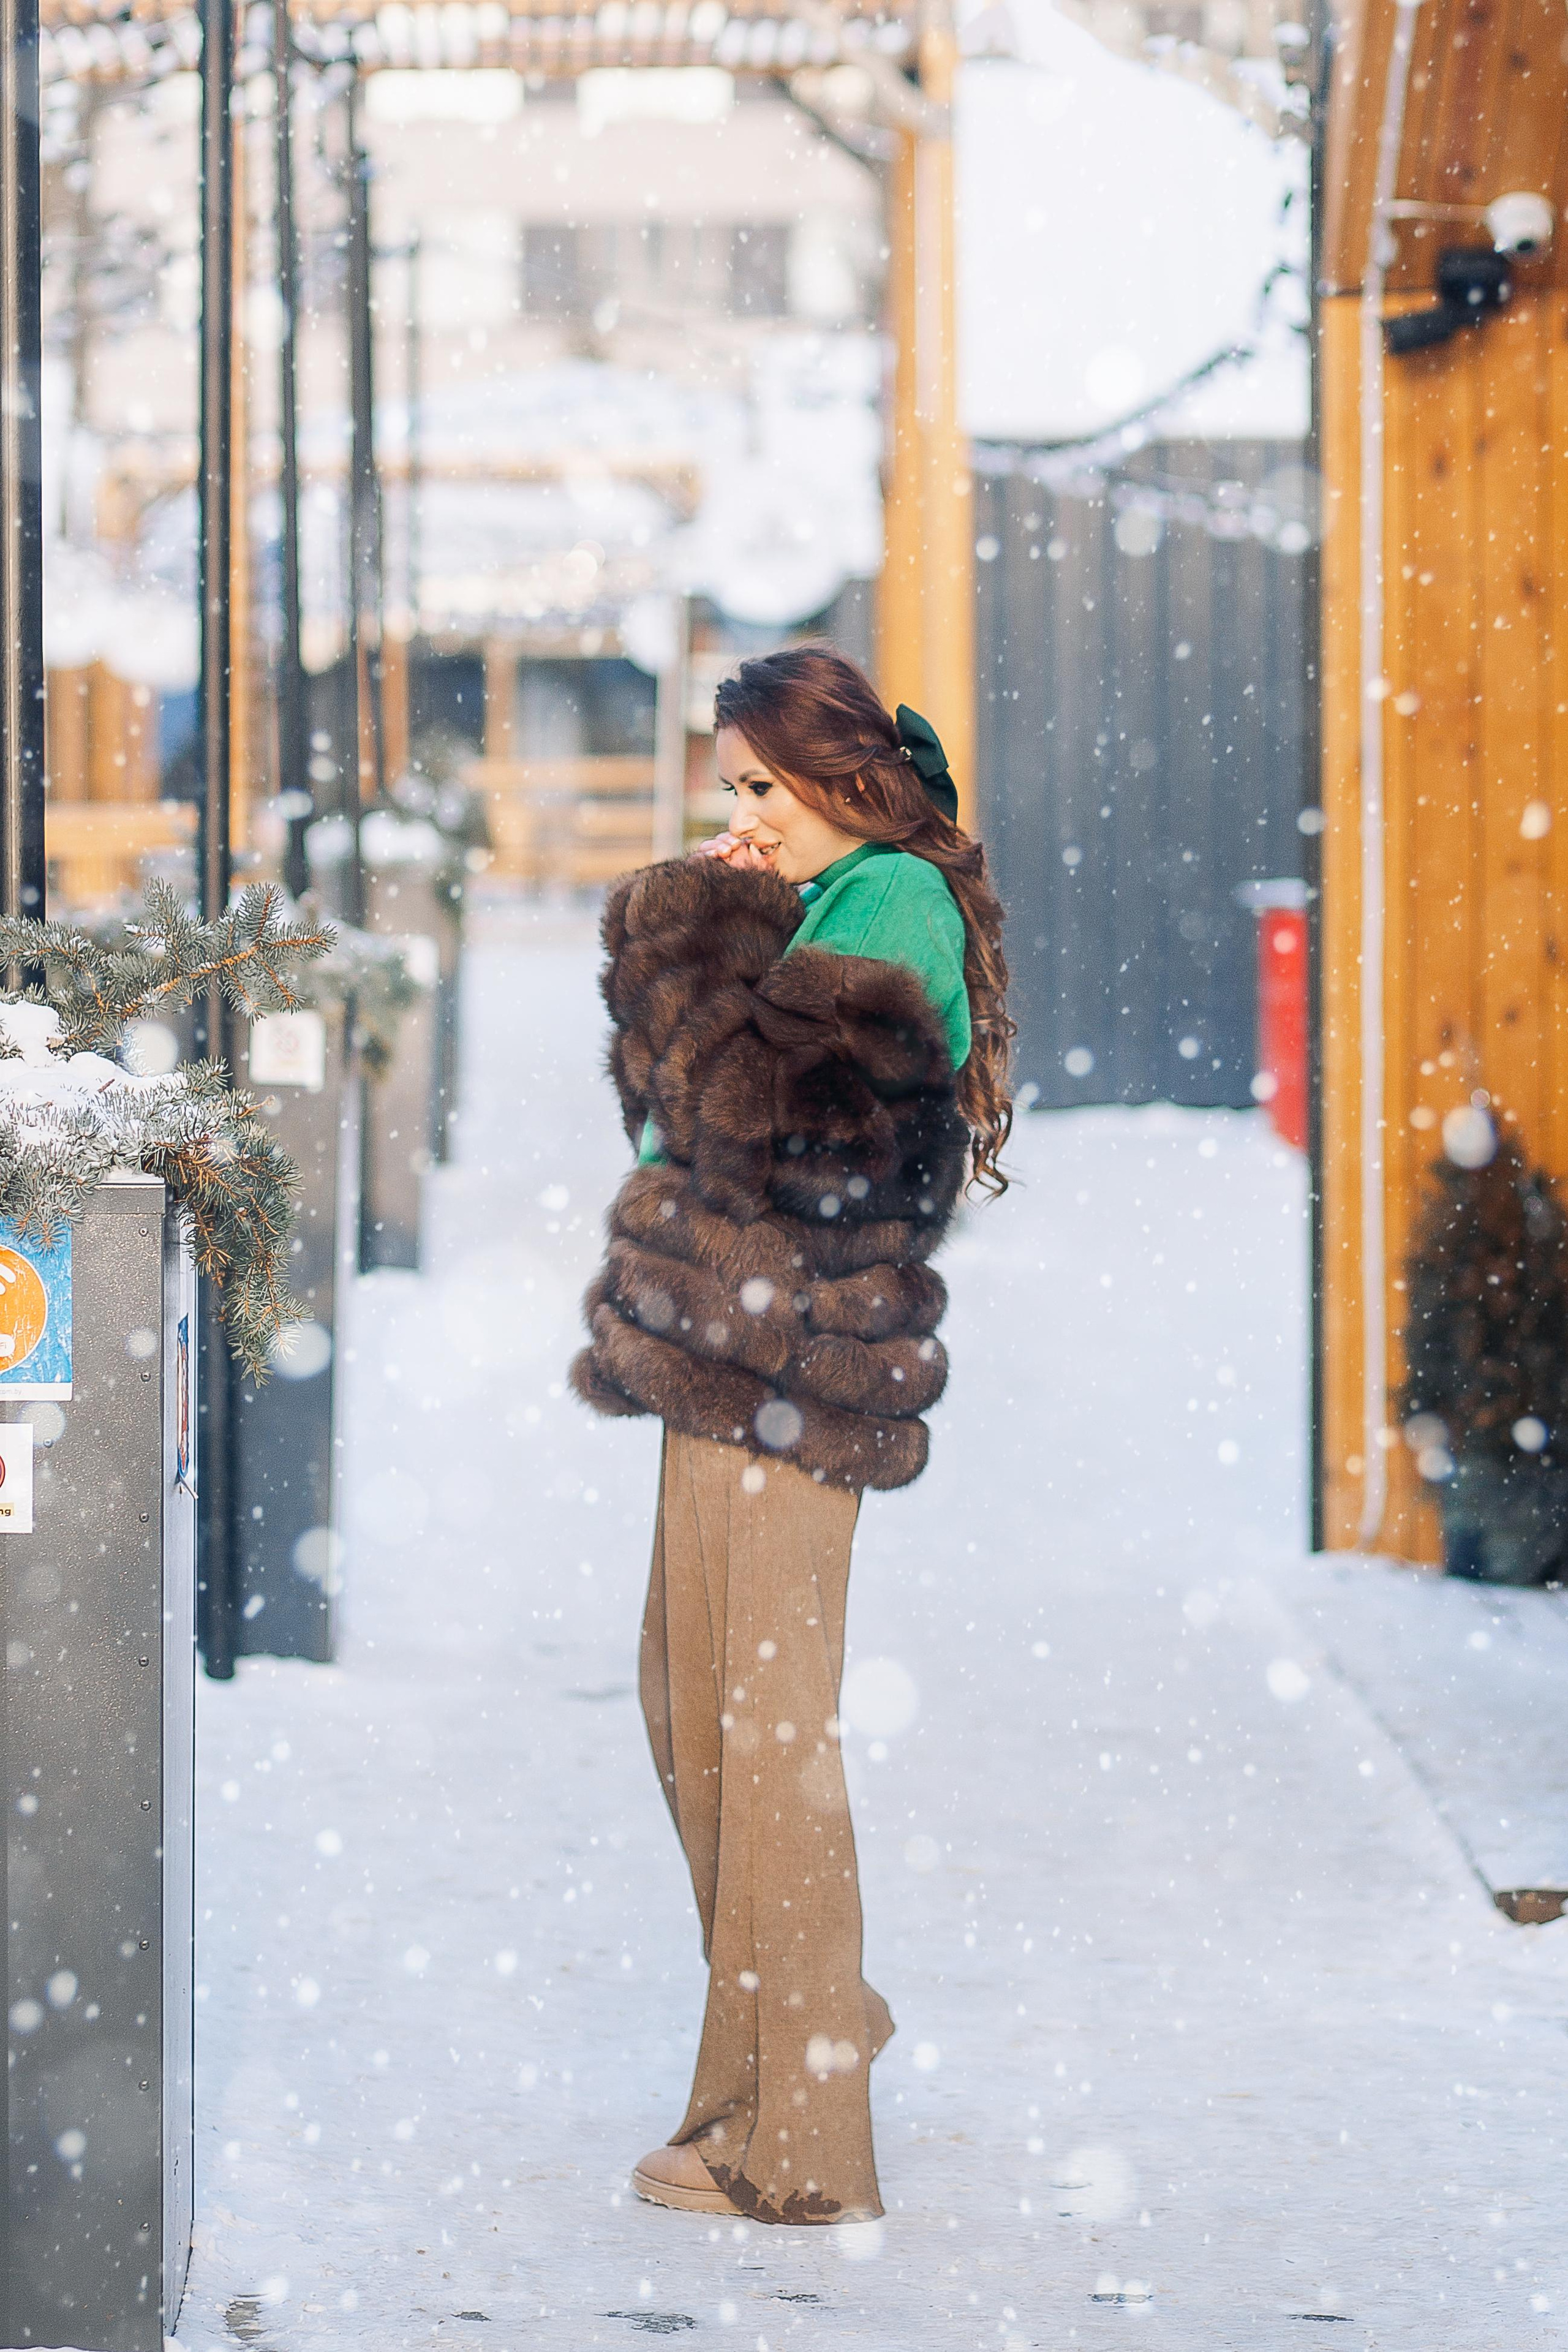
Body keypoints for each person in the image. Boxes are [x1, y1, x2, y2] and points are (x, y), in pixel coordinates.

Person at [571, 644, 1012, 2224]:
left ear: (843, 784)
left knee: (768, 1745)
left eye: (761, 790)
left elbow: (771, 1142)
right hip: (723, 1362)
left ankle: (803, 2143)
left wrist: (704, 929)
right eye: (728, 792)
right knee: (694, 1711)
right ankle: (807, 2022)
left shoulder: (886, 902)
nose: (738, 818)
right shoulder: (815, 909)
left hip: (799, 1377)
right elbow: (663, 1119)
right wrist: (723, 937)